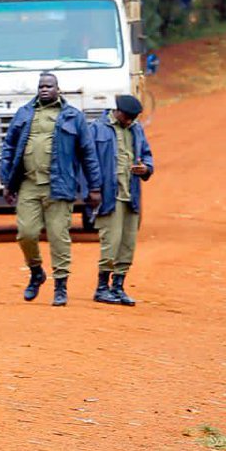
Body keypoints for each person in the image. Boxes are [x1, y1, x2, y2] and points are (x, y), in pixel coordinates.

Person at [0, 72, 102, 306]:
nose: (44, 90)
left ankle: (60, 286)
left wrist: (94, 187)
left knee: (59, 237)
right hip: (28, 184)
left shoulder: (73, 116)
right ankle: (36, 272)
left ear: (58, 89)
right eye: (41, 86)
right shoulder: (25, 113)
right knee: (25, 233)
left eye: (49, 86)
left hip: (60, 186)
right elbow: (9, 146)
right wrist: (7, 181)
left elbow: (88, 154)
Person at [88, 94, 154, 306]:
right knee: (111, 242)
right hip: (110, 195)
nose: (130, 121)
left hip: (131, 194)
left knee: (127, 244)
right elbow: (89, 161)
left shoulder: (136, 129)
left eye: (133, 118)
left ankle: (118, 287)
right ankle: (101, 288)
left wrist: (146, 168)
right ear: (118, 112)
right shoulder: (97, 129)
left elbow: (147, 154)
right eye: (128, 117)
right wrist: (93, 190)